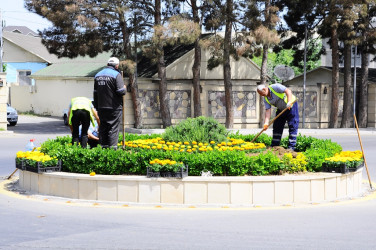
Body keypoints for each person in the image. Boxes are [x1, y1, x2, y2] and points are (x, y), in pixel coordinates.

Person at [93, 57, 126, 149]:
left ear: (107, 64)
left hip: (101, 107)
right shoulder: (116, 75)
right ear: (116, 66)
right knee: (113, 129)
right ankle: (112, 151)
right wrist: (124, 87)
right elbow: (121, 92)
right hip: (114, 108)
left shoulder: (97, 75)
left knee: (103, 128)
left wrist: (96, 106)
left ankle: (103, 148)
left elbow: (95, 93)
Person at [257, 83, 299, 151]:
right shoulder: (266, 99)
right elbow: (268, 110)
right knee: (277, 125)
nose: (261, 95)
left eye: (261, 93)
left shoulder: (275, 87)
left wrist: (289, 102)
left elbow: (288, 91)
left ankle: (291, 147)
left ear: (264, 89)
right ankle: (275, 145)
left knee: (292, 125)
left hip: (291, 106)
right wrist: (266, 123)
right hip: (281, 109)